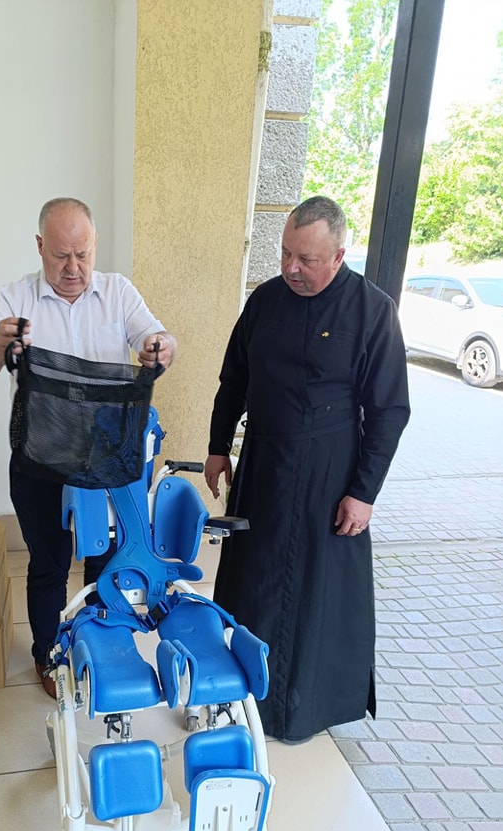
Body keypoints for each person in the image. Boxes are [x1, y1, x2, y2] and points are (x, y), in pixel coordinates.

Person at [204, 195, 410, 743]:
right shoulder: (264, 301)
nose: (292, 268)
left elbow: (389, 410)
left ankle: (300, 711)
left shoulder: (372, 311)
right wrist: (219, 446)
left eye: (307, 259)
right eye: (286, 254)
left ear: (338, 256)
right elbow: (234, 379)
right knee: (252, 584)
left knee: (313, 596)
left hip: (330, 474)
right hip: (263, 465)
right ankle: (241, 695)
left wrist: (364, 493)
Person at [0, 197, 177, 696]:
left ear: (95, 243)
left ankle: (103, 651)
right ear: (40, 246)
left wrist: (162, 346)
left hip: (107, 461)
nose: (74, 267)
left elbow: (158, 339)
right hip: (40, 461)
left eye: (83, 254)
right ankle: (49, 657)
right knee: (49, 564)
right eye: (61, 256)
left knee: (105, 562)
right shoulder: (14, 298)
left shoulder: (118, 292)